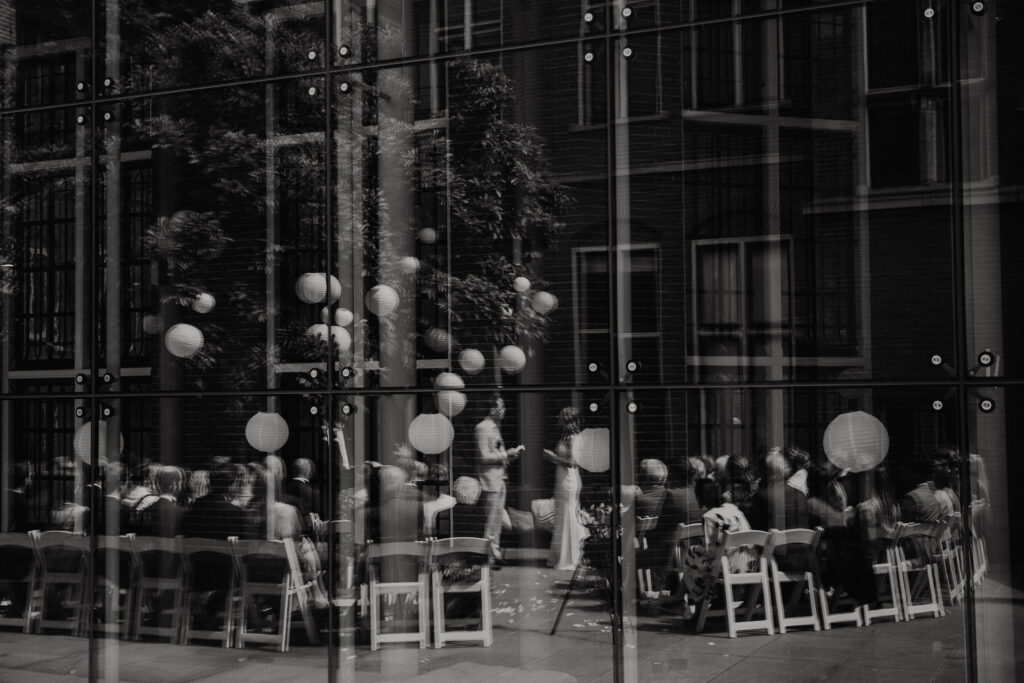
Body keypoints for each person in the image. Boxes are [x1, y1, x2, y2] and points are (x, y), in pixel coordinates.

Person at [680, 479, 754, 612]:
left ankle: (700, 604)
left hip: (729, 569)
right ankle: (715, 601)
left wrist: (696, 550)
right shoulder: (736, 510)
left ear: (699, 497)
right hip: (750, 566)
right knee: (699, 557)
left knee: (689, 557)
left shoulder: (710, 516)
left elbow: (711, 554)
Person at [475, 396, 524, 558]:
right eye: (501, 407)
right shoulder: (482, 428)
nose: (504, 410)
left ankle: (493, 553)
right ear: (492, 409)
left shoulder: (495, 427)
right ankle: (487, 556)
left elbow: (496, 454)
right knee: (491, 521)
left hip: (500, 479)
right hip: (490, 481)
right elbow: (483, 456)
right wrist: (505, 454)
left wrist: (510, 456)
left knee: (496, 522)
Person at [543, 406, 588, 570]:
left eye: (561, 416)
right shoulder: (566, 436)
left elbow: (572, 463)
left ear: (568, 420)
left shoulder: (573, 438)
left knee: (569, 516)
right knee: (563, 517)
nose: (558, 418)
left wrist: (552, 458)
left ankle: (575, 556)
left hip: (568, 481)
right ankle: (564, 555)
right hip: (562, 480)